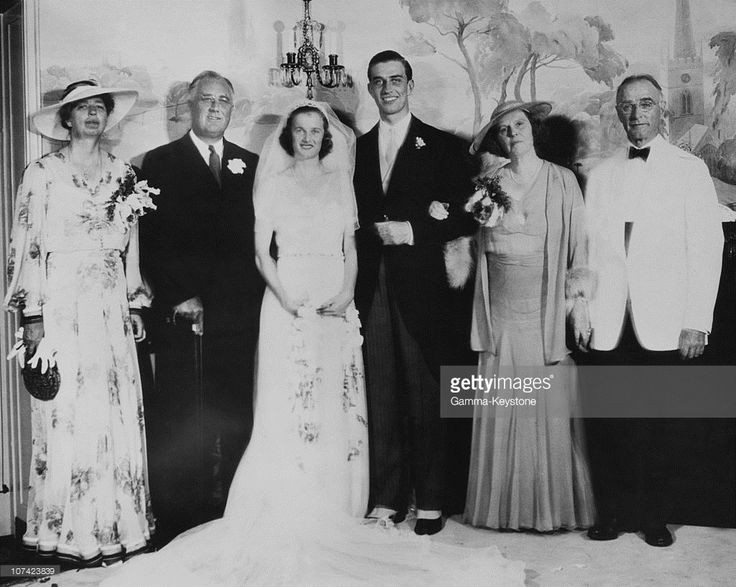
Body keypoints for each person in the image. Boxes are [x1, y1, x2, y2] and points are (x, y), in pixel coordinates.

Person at [71, 101, 524, 587]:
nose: (308, 138)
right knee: (290, 398)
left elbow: (352, 245)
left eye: (315, 131)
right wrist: (285, 294)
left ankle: (342, 498)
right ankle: (289, 495)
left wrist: (348, 290)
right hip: (287, 296)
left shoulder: (339, 182)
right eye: (300, 131)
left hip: (335, 295)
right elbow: (261, 250)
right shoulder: (274, 182)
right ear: (288, 136)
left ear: (327, 137)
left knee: (337, 398)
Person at [3, 80, 153, 564]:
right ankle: (66, 531)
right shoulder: (43, 173)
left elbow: (132, 244)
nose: (91, 115)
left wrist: (133, 304)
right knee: (66, 409)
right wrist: (32, 314)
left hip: (109, 305)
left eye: (98, 108)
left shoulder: (124, 174)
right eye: (82, 109)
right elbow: (26, 242)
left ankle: (115, 525)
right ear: (65, 119)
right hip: (61, 302)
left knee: (111, 407)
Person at [583, 74, 723, 547]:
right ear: (618, 112)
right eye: (627, 106)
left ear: (661, 108)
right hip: (607, 322)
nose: (636, 114)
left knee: (657, 425)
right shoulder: (599, 175)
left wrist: (696, 321)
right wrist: (580, 312)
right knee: (609, 424)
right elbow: (585, 253)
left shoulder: (689, 169)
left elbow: (706, 248)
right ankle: (612, 514)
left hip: (663, 322)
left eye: (645, 104)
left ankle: (653, 516)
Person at [448, 100, 595, 532]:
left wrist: (579, 302)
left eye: (519, 125)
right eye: (504, 130)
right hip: (501, 309)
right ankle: (503, 509)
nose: (513, 133)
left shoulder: (563, 179)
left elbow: (578, 245)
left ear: (532, 128)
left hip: (544, 306)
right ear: (498, 139)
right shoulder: (488, 182)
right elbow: (474, 243)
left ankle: (548, 509)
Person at [353, 50, 475, 535]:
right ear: (369, 88)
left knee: (425, 394)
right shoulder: (355, 150)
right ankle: (386, 497)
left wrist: (415, 230)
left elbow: (467, 212)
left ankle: (431, 498)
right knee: (379, 389)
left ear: (410, 84)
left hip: (423, 287)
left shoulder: (442, 146)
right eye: (378, 81)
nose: (388, 89)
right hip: (371, 284)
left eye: (396, 80)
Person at [139, 70, 262, 542]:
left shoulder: (249, 164)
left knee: (232, 412)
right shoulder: (161, 161)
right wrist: (179, 295)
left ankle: (228, 510)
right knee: (182, 415)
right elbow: (150, 239)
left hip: (236, 316)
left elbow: (257, 241)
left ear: (233, 110)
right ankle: (178, 519)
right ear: (190, 106)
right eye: (206, 100)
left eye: (223, 101)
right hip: (182, 315)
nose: (214, 108)